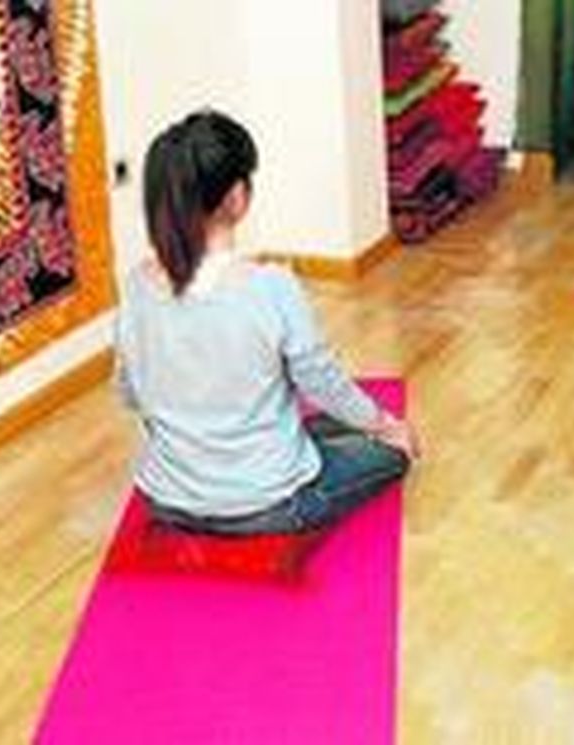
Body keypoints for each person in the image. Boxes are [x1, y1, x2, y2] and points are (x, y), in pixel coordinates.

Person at [115, 109, 417, 536]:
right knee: (393, 452)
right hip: (271, 504)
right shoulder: (270, 286)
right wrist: (388, 428)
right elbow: (321, 381)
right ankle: (380, 440)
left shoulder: (135, 286)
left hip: (165, 500)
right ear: (238, 196)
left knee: (324, 424)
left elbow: (130, 393)